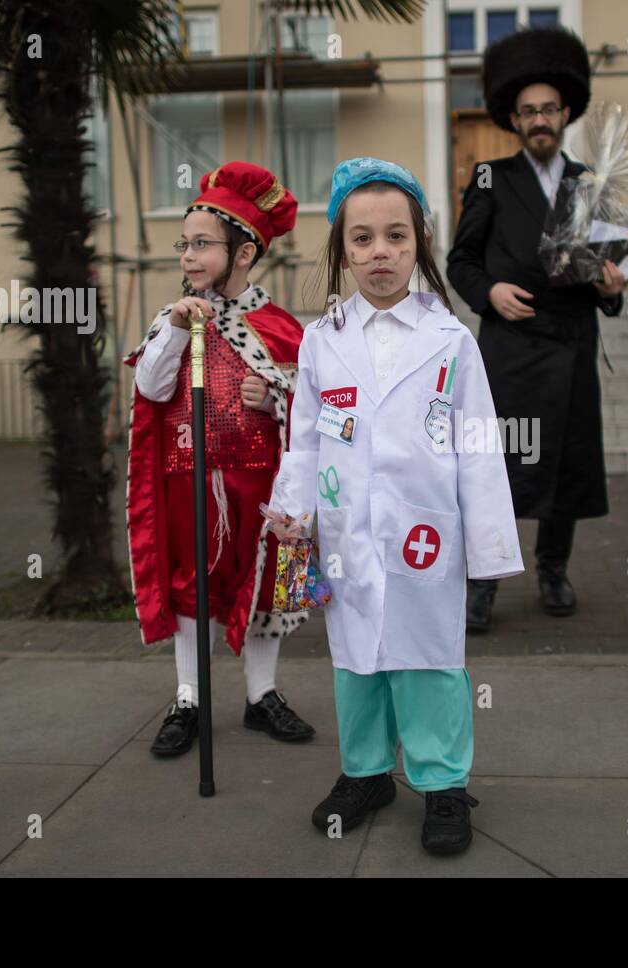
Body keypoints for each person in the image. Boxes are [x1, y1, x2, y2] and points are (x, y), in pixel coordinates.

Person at [265, 157, 523, 855]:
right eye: (363, 239)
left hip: (425, 539)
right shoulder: (322, 342)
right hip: (347, 534)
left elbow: (478, 447)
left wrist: (489, 545)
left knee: (429, 656)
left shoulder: (451, 343)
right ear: (342, 251)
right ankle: (367, 772)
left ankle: (443, 784)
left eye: (396, 237)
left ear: (419, 245)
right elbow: (306, 438)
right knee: (356, 656)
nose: (380, 252)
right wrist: (292, 512)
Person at [124, 161, 316, 758]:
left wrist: (275, 396)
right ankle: (189, 697)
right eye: (185, 244)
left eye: (203, 244)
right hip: (190, 482)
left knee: (268, 589)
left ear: (243, 253)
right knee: (192, 587)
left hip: (262, 490)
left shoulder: (280, 328)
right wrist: (179, 329)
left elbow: (313, 414)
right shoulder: (173, 319)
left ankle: (262, 695)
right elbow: (152, 390)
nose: (188, 255)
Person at [447, 26, 627, 632]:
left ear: (566, 112)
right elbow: (461, 262)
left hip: (573, 345)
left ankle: (553, 568)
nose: (539, 119)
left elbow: (616, 263)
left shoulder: (593, 183)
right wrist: (491, 295)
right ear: (513, 119)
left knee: (566, 467)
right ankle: (482, 581)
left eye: (548, 108)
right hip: (511, 350)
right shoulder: (491, 177)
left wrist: (612, 287)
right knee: (496, 466)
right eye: (527, 111)